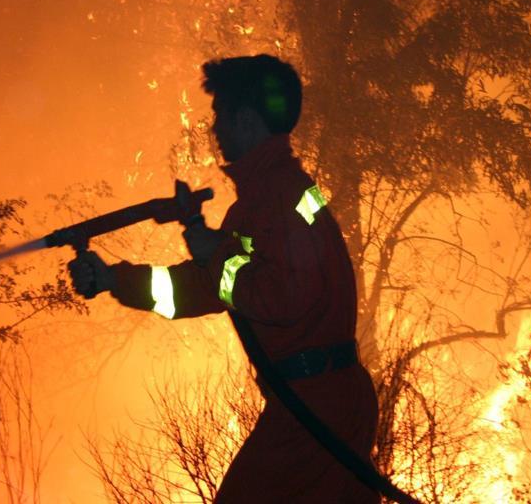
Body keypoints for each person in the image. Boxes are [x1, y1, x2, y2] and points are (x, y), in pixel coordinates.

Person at [68, 54, 379, 502]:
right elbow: (203, 288)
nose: (214, 129)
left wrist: (219, 251)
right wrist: (113, 279)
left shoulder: (278, 198)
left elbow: (281, 299)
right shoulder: (271, 197)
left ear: (248, 120)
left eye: (221, 115)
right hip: (323, 401)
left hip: (312, 407)